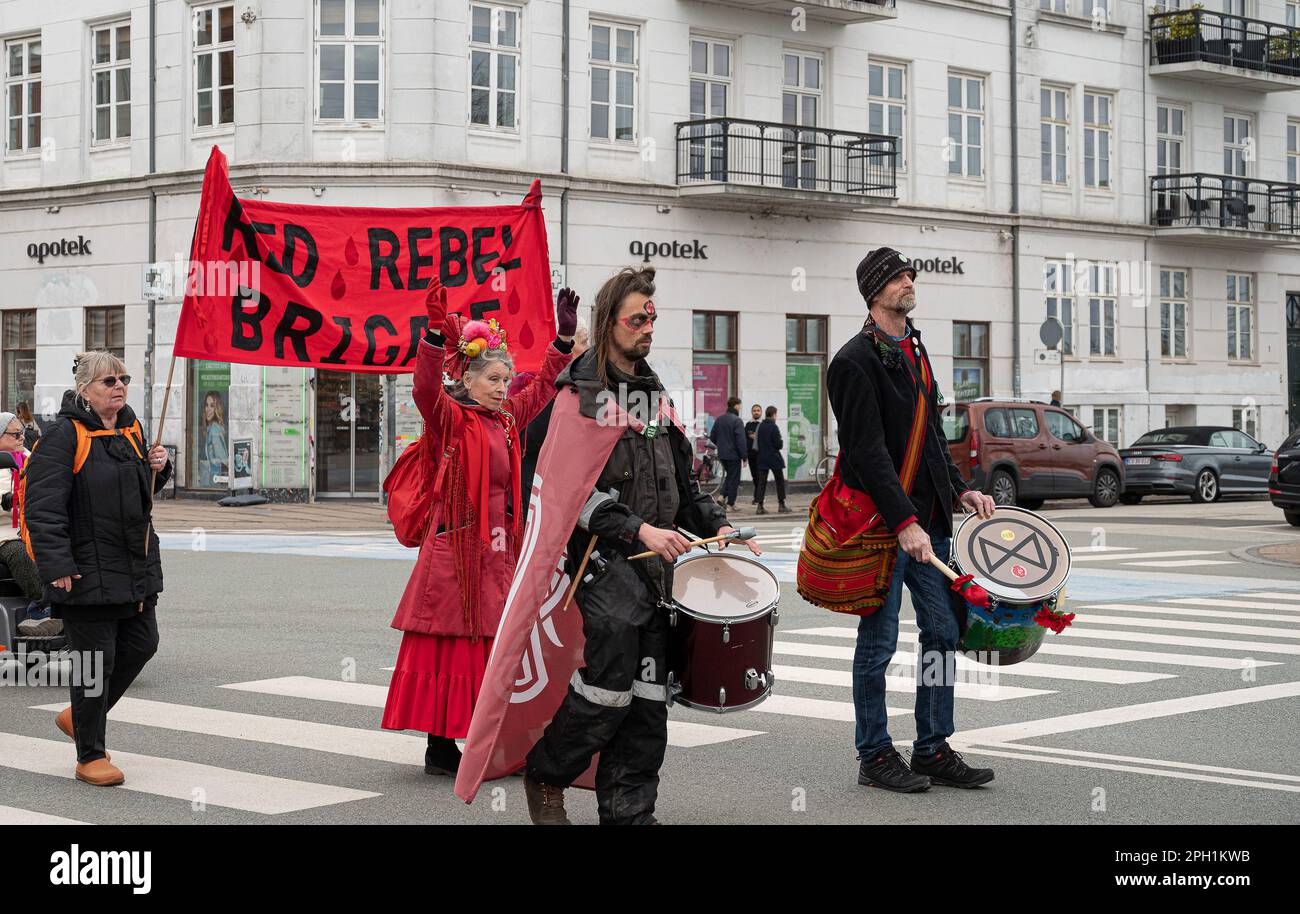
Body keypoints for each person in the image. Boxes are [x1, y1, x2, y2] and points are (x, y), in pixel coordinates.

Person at [523, 266, 760, 825]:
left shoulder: (654, 395)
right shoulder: (578, 396)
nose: (648, 326)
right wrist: (636, 528)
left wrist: (718, 527)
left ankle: (629, 813)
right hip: (602, 563)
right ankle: (546, 773)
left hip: (662, 570)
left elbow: (686, 483)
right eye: (638, 317)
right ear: (610, 322)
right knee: (608, 689)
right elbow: (559, 485)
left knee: (651, 699)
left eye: (653, 316)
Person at [382, 282, 578, 777]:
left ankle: (479, 738)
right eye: (493, 377)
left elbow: (538, 393)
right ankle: (441, 746)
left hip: (496, 551)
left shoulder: (506, 418)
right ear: (467, 380)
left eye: (505, 376)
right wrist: (430, 337)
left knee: (493, 646)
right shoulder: (450, 419)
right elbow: (425, 389)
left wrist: (560, 344)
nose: (502, 385)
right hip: (455, 551)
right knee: (451, 649)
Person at [831, 247, 997, 793]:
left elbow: (927, 436)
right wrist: (903, 521)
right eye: (900, 276)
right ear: (875, 291)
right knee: (877, 644)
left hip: (929, 522)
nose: (910, 280)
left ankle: (931, 747)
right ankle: (874, 752)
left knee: (944, 631)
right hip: (885, 527)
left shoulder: (915, 347)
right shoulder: (852, 362)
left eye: (909, 274)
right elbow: (867, 453)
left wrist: (959, 490)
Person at [23, 351, 172, 787]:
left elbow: (141, 493)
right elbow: (43, 507)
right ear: (85, 389)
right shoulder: (63, 435)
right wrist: (57, 566)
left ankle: (80, 716)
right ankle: (90, 755)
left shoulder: (131, 428)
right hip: (85, 569)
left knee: (143, 644)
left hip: (135, 564)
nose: (120, 386)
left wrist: (158, 470)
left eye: (123, 378)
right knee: (94, 663)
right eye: (109, 381)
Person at [0, 411, 54, 635]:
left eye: (22, 433)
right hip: (5, 536)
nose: (21, 438)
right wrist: (8, 501)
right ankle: (43, 607)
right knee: (20, 553)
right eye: (15, 434)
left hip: (30, 529)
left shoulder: (31, 459)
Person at [708, 396, 747, 508]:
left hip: (722, 454)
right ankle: (731, 504)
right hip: (734, 455)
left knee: (730, 476)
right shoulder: (737, 421)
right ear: (736, 405)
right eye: (740, 405)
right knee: (734, 479)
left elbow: (713, 436)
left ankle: (721, 497)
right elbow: (741, 440)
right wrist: (744, 456)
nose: (740, 407)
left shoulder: (720, 419)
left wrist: (721, 444)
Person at [754, 405, 790, 514]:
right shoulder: (774, 427)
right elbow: (778, 444)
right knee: (779, 481)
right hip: (774, 458)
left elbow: (757, 442)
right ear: (773, 414)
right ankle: (781, 505)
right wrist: (780, 442)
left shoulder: (760, 426)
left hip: (762, 457)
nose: (776, 416)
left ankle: (759, 506)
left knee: (761, 483)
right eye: (776, 414)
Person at [201, 391, 227, 486]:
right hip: (214, 477)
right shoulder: (210, 428)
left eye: (212, 406)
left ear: (217, 408)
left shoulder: (214, 429)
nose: (208, 409)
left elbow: (222, 459)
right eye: (206, 405)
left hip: (216, 479)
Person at [744, 404, 762, 505]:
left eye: (758, 410)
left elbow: (761, 438)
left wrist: (754, 436)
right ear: (752, 412)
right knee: (755, 477)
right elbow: (746, 439)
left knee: (760, 477)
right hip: (751, 455)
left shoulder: (763, 424)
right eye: (754, 410)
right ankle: (757, 497)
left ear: (761, 412)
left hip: (760, 455)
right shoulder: (748, 425)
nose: (756, 412)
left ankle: (758, 498)